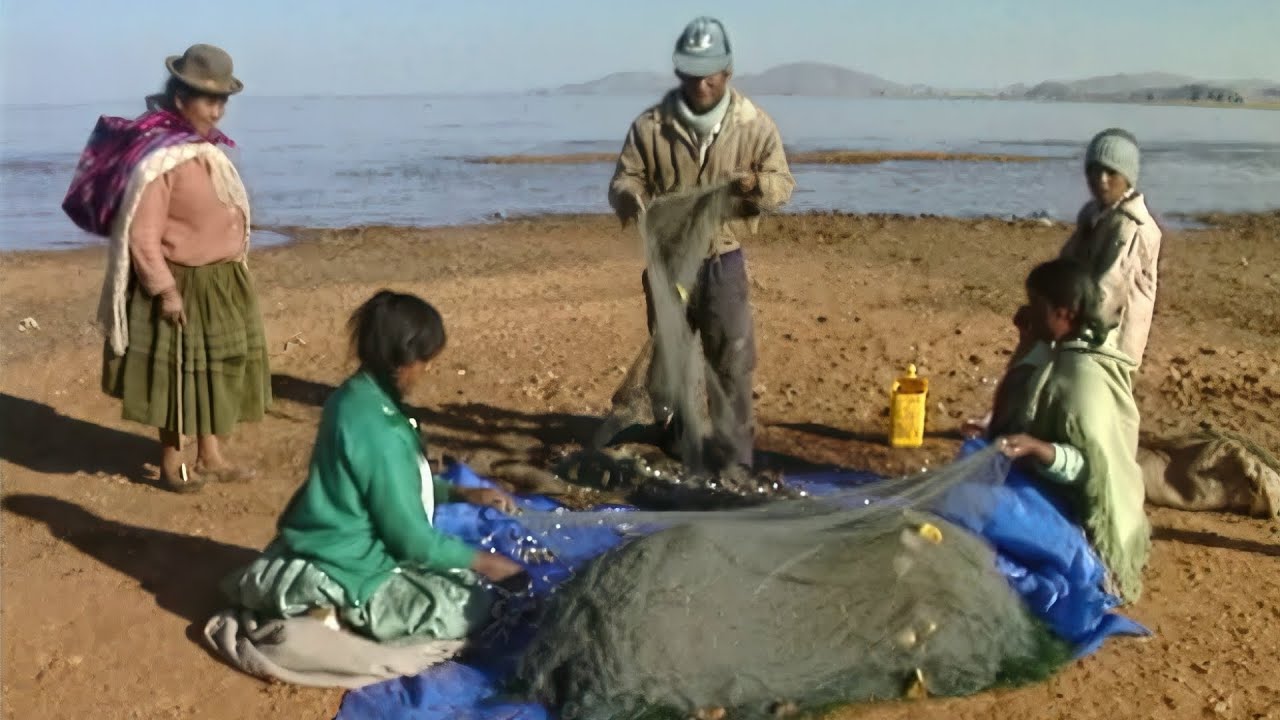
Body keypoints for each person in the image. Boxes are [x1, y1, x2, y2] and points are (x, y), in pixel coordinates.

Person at [222, 291, 526, 642]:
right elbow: (413, 542)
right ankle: (333, 611)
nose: (427, 371)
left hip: (332, 539)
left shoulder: (355, 396)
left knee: (457, 574)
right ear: (404, 360)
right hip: (347, 563)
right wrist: (491, 565)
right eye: (425, 361)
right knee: (469, 604)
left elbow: (386, 487)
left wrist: (460, 492)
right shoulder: (380, 431)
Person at [63, 44, 270, 493]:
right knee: (177, 375)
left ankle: (211, 455)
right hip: (182, 282)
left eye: (222, 101)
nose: (216, 111)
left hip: (220, 280)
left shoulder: (203, 149)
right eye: (207, 100)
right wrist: (165, 290)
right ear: (180, 98)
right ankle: (172, 462)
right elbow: (142, 236)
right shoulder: (159, 159)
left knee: (214, 370)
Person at [608, 16, 795, 474]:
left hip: (721, 260)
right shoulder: (650, 127)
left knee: (730, 357)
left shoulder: (754, 125)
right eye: (692, 76)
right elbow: (624, 179)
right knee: (672, 356)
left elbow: (782, 185)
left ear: (727, 74)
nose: (701, 85)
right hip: (667, 262)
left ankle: (734, 455)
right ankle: (677, 437)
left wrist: (755, 186)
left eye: (709, 77)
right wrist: (629, 198)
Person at [992, 259, 1150, 603]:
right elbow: (1010, 405)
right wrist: (1027, 340)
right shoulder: (1059, 356)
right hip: (1065, 498)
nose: (1027, 312)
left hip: (1096, 534)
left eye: (1036, 306)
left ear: (1064, 313)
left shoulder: (1080, 378)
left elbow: (1091, 470)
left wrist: (1039, 449)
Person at [1053, 128, 1162, 367]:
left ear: (1127, 177)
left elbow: (1108, 293)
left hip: (1109, 346)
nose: (1101, 179)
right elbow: (1067, 265)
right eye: (1094, 170)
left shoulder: (1131, 228)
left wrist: (1062, 321)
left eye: (1111, 172)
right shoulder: (1094, 215)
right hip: (1084, 335)